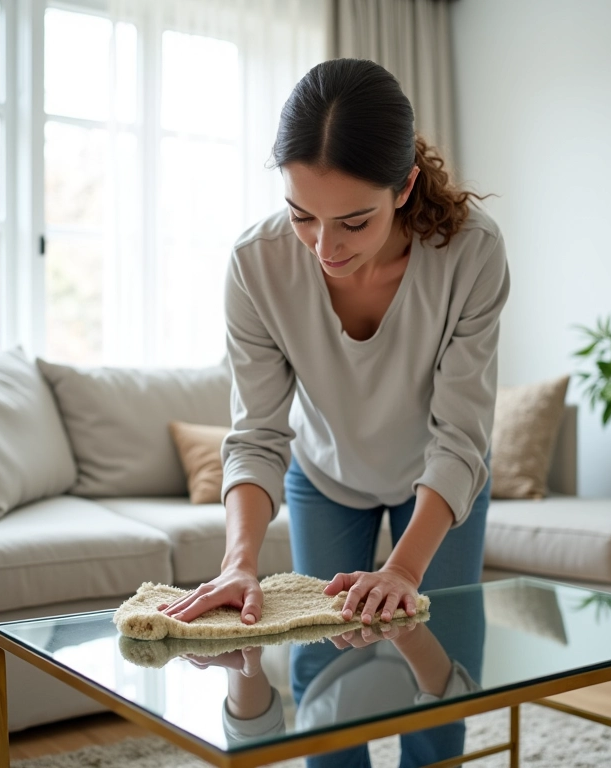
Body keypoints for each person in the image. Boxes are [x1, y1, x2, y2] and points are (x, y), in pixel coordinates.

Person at [159, 57, 509, 639]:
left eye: (353, 221)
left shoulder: (472, 252)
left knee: (442, 668)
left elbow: (461, 434)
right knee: (321, 663)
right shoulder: (257, 264)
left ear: (405, 188)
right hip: (325, 477)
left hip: (442, 473)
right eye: (303, 215)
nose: (325, 248)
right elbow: (257, 435)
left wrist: (401, 569)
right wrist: (237, 564)